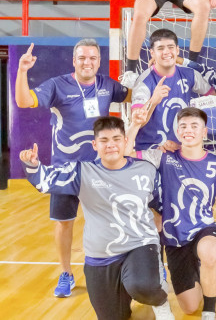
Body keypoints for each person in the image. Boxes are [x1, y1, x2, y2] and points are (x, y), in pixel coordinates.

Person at [19, 117, 174, 319]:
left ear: (126, 141)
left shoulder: (146, 170)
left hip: (139, 244)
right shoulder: (82, 172)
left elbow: (160, 205)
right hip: (101, 255)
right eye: (104, 140)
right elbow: (45, 182)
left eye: (117, 139)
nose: (111, 145)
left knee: (142, 285)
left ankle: (158, 298)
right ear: (95, 145)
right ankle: (125, 291)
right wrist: (33, 164)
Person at [14, 39, 130, 298]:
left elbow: (134, 95)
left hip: (100, 169)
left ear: (99, 61)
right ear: (73, 60)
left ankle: (115, 271)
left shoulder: (107, 85)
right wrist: (22, 71)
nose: (87, 62)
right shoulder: (57, 85)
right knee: (65, 223)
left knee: (109, 221)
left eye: (92, 58)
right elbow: (24, 101)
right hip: (65, 170)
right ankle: (65, 273)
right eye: (82, 58)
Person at [127, 107, 216, 320]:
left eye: (194, 126)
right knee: (189, 307)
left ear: (204, 132)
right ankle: (200, 272)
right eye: (183, 126)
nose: (188, 130)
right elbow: (125, 153)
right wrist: (135, 124)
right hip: (174, 235)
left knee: (210, 252)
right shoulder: (163, 156)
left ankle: (209, 312)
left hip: (204, 228)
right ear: (177, 130)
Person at [131, 29, 212, 151]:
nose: (166, 52)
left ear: (177, 50)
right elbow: (137, 122)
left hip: (180, 149)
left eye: (170, 47)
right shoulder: (144, 82)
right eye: (160, 48)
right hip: (151, 150)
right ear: (152, 53)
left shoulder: (189, 74)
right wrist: (154, 100)